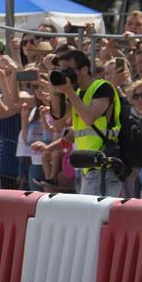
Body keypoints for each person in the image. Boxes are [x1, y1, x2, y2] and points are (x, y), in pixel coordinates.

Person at [50, 49, 122, 197]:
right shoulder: (76, 93)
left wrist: (69, 92)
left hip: (102, 164)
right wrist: (56, 91)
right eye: (62, 70)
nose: (65, 74)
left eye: (68, 70)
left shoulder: (102, 87)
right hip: (84, 166)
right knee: (87, 217)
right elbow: (58, 120)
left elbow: (89, 118)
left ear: (84, 69)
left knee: (92, 217)